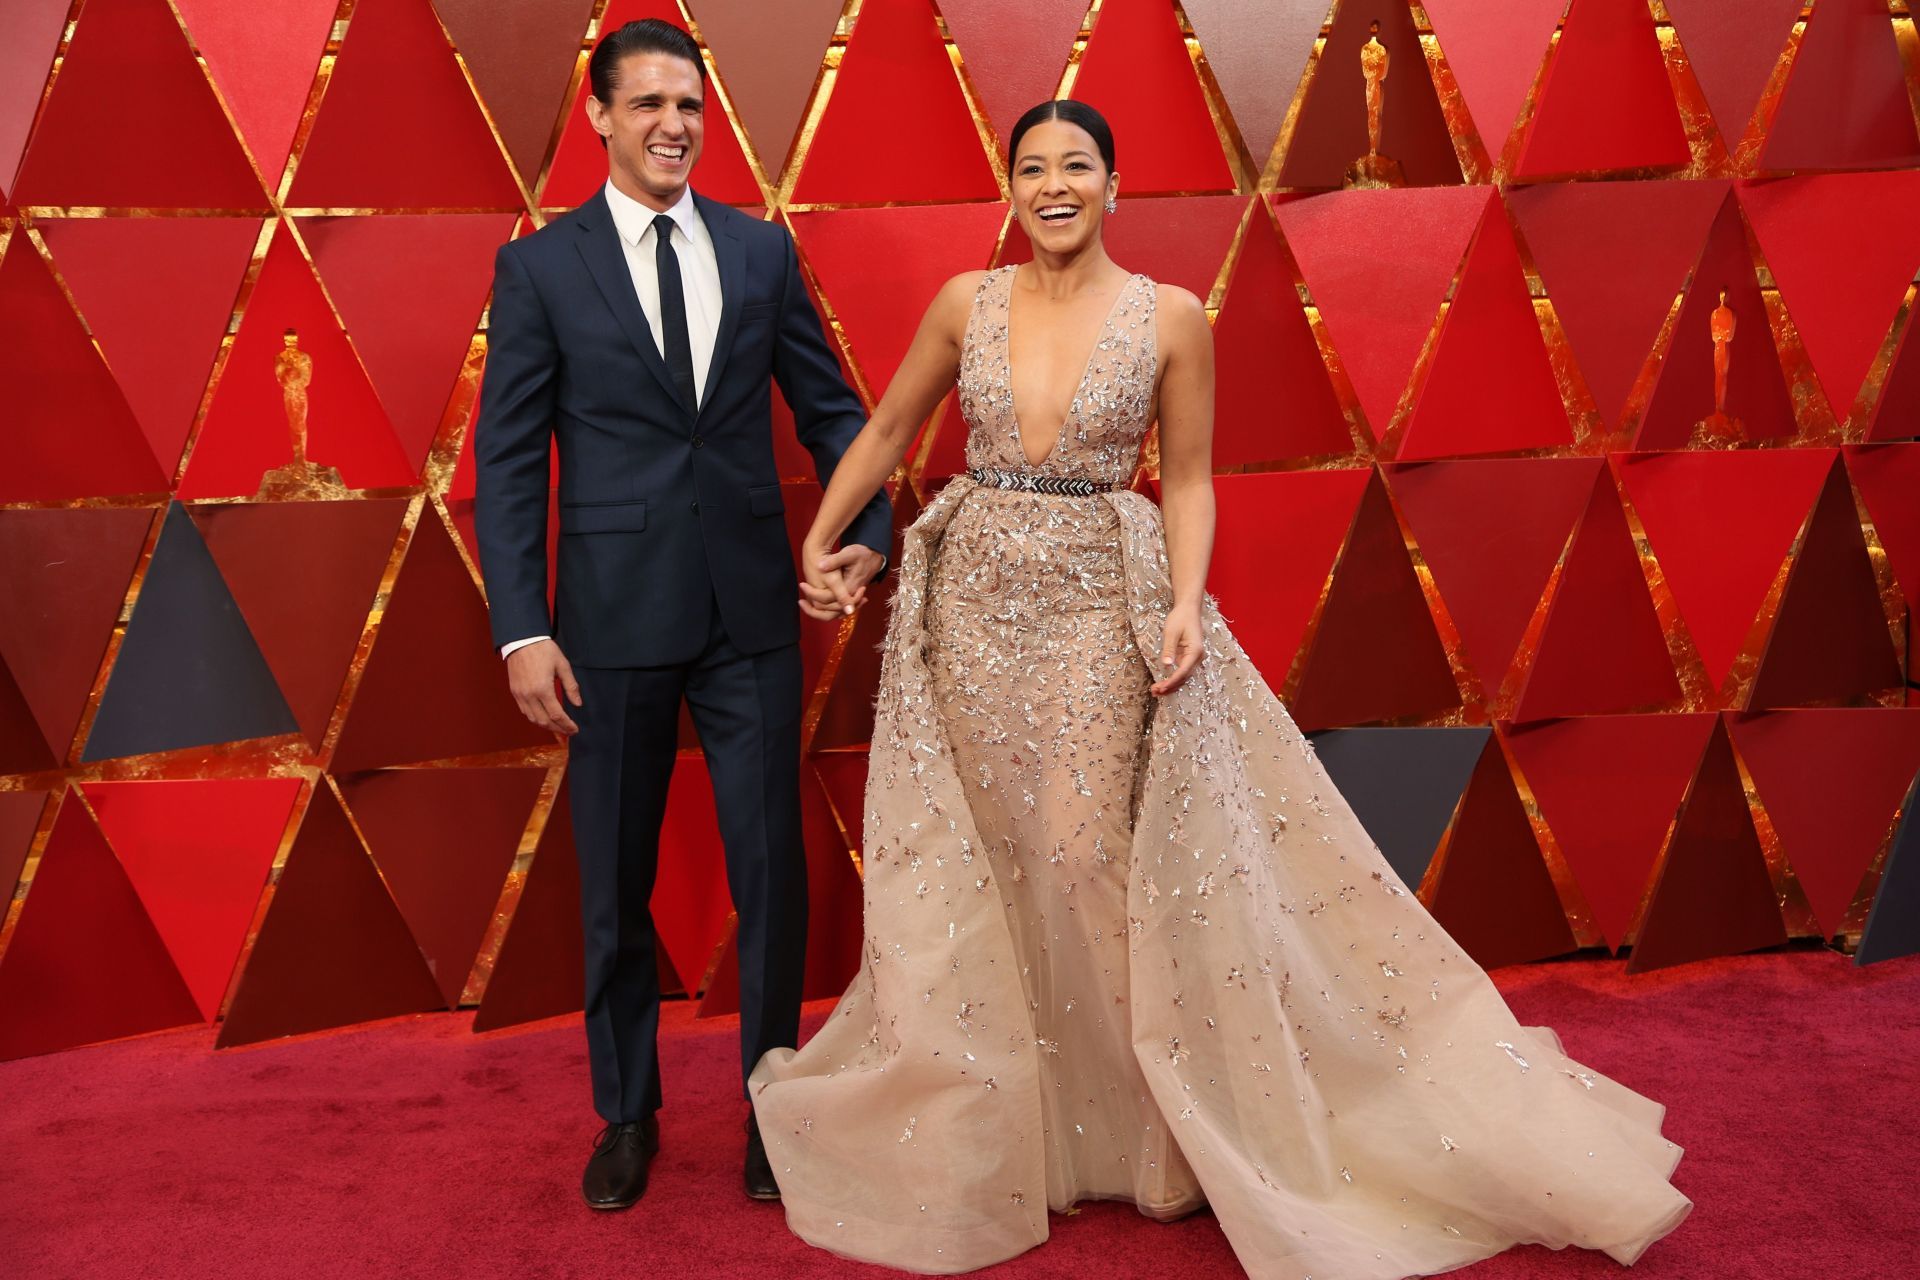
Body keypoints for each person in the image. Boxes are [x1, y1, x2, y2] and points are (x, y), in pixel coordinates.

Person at [748, 100, 1691, 1278]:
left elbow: (1189, 482)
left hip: (1104, 596)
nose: (1053, 184)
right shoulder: (964, 301)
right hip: (974, 603)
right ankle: (1015, 1129)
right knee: (990, 853)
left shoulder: (1172, 317)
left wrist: (1185, 599)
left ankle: (1151, 1130)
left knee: (1090, 848)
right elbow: (889, 425)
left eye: (1075, 165)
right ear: (1011, 186)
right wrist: (824, 537)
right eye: (1031, 167)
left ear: (1114, 181)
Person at [472, 19, 890, 1211]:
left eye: (690, 106)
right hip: (603, 624)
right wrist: (522, 626)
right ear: (598, 116)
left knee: (775, 869)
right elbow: (509, 464)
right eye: (648, 103)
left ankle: (774, 1104)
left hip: (752, 610)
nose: (673, 125)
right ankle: (627, 1112)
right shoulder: (542, 268)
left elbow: (833, 411)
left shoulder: (761, 254)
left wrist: (867, 531)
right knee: (614, 878)